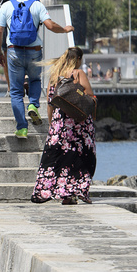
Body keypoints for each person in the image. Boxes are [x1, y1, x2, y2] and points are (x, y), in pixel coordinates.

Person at [0, 0, 73, 139]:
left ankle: (22, 128)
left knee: (16, 91)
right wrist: (65, 30)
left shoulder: (6, 6)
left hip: (14, 51)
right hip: (34, 50)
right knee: (35, 81)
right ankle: (33, 104)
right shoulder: (37, 5)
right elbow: (50, 25)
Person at [33, 46, 98, 206]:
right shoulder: (78, 74)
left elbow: (50, 103)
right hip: (79, 125)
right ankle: (81, 191)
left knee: (61, 160)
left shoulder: (55, 77)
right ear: (78, 59)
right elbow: (89, 97)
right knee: (83, 158)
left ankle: (63, 194)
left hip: (59, 124)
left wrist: (52, 125)